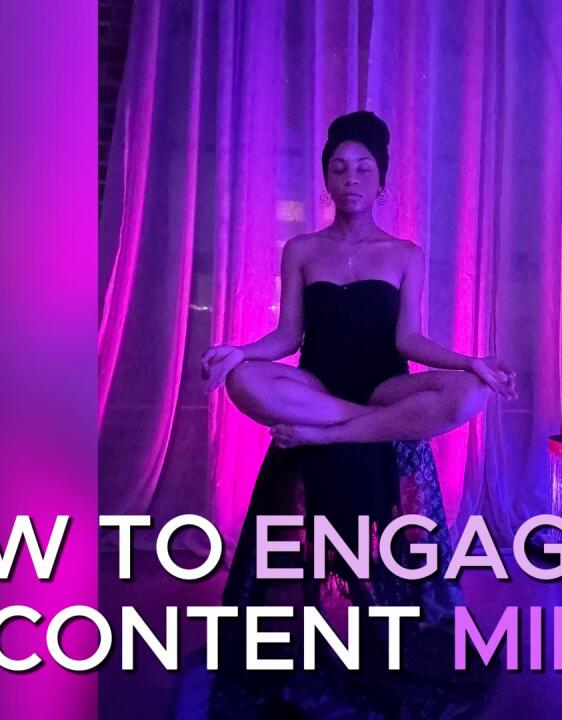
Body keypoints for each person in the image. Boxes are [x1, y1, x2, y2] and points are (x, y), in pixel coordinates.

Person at [201, 110, 503, 720]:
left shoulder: (405, 254)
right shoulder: (301, 249)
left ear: (381, 180)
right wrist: (239, 349)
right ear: (327, 179)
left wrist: (469, 360)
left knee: (469, 393)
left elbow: (409, 340)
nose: (351, 178)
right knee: (243, 378)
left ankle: (336, 429)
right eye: (339, 168)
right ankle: (344, 423)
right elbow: (287, 336)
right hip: (316, 386)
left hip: (385, 387)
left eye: (364, 168)